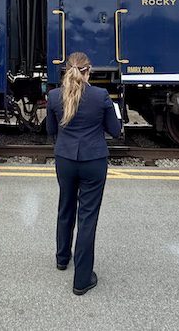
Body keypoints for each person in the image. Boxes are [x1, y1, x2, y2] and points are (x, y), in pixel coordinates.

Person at [46, 52, 122, 296]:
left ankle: (61, 258)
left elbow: (50, 130)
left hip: (65, 159)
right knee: (87, 217)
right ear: (89, 71)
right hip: (93, 160)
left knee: (65, 206)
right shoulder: (101, 96)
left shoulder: (54, 96)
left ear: (67, 70)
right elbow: (116, 131)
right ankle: (82, 280)